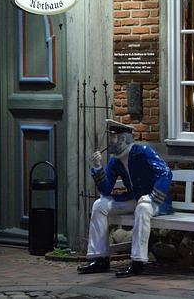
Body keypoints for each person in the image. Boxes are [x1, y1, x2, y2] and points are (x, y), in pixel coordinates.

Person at [77, 119, 173, 278]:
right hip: (135, 199)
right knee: (99, 205)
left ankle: (138, 262)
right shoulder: (116, 160)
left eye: (113, 137)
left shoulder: (143, 151)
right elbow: (106, 189)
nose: (110, 141)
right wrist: (98, 167)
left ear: (122, 139)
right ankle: (99, 257)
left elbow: (165, 173)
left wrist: (152, 197)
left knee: (143, 208)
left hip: (156, 201)